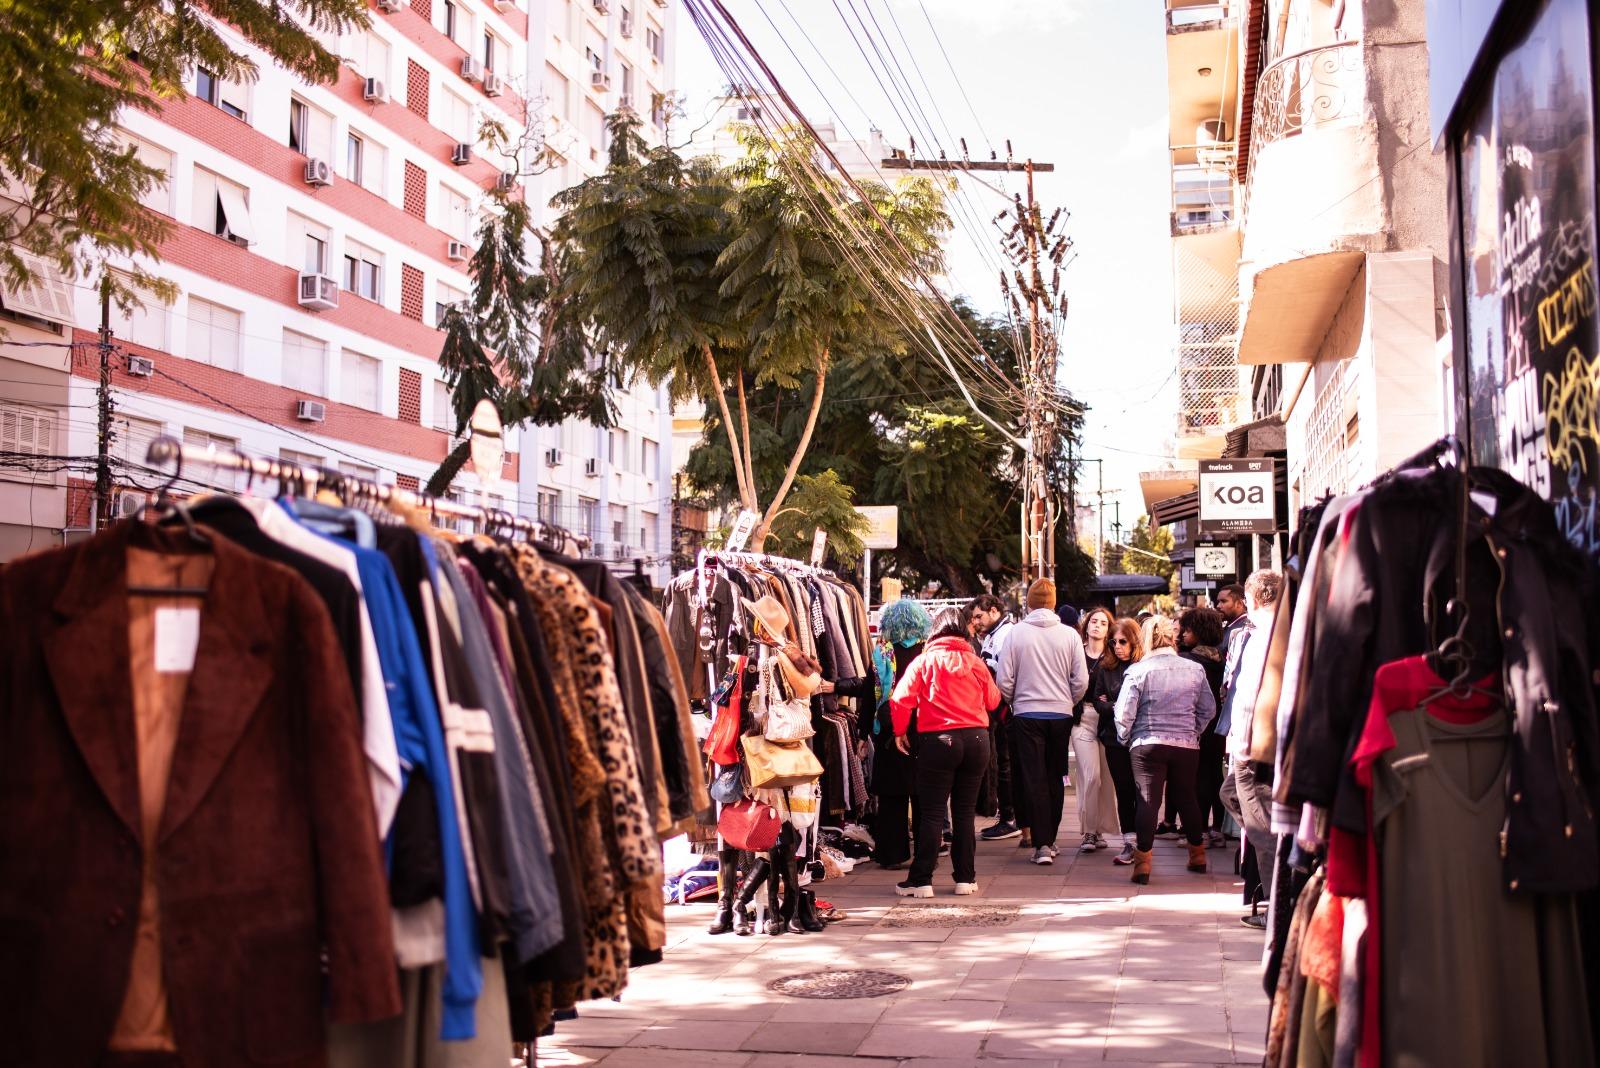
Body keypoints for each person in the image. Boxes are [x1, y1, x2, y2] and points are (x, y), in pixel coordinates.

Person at [889, 608, 1000, 897]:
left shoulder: (923, 662)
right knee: (964, 813)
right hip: (977, 740)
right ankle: (966, 878)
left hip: (938, 741)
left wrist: (900, 731)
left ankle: (921, 880)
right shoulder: (975, 662)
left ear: (935, 630)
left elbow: (900, 699)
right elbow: (993, 700)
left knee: (932, 812)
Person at [1114, 615, 1217, 885]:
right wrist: (1192, 731)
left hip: (1147, 743)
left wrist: (1126, 736)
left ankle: (1143, 864)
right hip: (1185, 744)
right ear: (1173, 637)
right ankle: (1197, 856)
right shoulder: (1194, 669)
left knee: (1148, 801)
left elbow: (1124, 712)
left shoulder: (1138, 670)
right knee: (1187, 798)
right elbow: (1209, 708)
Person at [997, 578, 1089, 866]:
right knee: (1056, 775)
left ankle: (1041, 844)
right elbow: (1081, 680)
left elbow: (1004, 679)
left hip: (1026, 714)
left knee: (1033, 777)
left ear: (1029, 602)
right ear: (1053, 603)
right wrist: (1067, 700)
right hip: (1060, 714)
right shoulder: (1070, 635)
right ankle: (1050, 838)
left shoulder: (1015, 634)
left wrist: (1015, 700)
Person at [1218, 569, 1282, 928]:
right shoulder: (1285, 632)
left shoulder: (1261, 638)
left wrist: (1240, 748)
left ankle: (1277, 904)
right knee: (1231, 795)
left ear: (1253, 599)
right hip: (1267, 744)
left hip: (1254, 746)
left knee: (1261, 827)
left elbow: (1249, 697)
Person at [871, 598, 933, 869]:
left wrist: (866, 730)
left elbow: (872, 689)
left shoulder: (883, 650)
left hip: (890, 725)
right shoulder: (928, 650)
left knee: (892, 794)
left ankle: (893, 854)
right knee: (924, 793)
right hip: (923, 724)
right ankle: (925, 852)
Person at [967, 594, 1023, 842]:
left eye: (979, 616)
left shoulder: (1006, 635)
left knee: (1006, 764)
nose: (976, 622)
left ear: (993, 611)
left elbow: (1004, 675)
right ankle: (1009, 816)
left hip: (1005, 709)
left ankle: (1011, 818)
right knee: (1003, 763)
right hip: (999, 708)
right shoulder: (994, 635)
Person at [1071, 606, 1124, 854]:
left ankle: (1100, 830)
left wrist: (1108, 701)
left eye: (1103, 623)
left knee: (1106, 780)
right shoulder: (1077, 653)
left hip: (1108, 721)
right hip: (1083, 718)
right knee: (1090, 776)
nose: (1097, 626)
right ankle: (1089, 832)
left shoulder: (1113, 657)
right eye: (1094, 621)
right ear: (1086, 624)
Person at [1092, 618, 1143, 864]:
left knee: (1142, 791)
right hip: (1113, 738)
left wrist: (1112, 704)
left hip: (1140, 738)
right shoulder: (1105, 667)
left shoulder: (1143, 666)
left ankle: (1144, 842)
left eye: (1123, 641)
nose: (1118, 647)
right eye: (1113, 642)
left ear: (1134, 641)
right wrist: (1115, 706)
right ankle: (1129, 842)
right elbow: (1097, 702)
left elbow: (1143, 704)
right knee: (1123, 790)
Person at [1178, 606, 1228, 848]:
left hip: (1196, 723)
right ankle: (1217, 828)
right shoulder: (1222, 657)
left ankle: (1198, 831)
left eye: (1187, 629)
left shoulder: (1188, 660)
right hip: (1218, 723)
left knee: (1198, 777)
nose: (1183, 634)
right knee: (1215, 774)